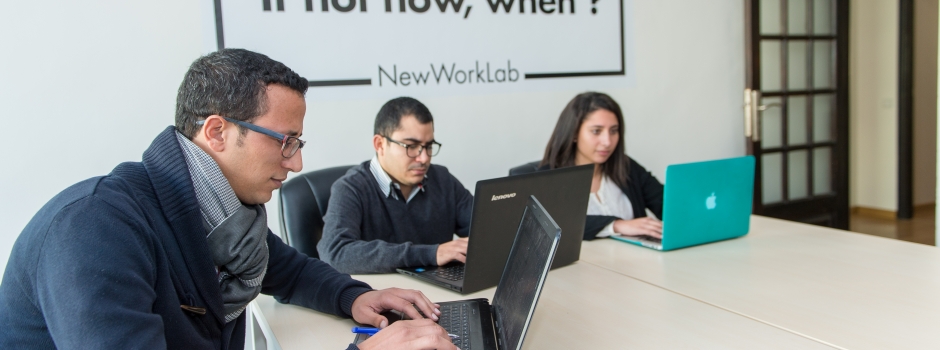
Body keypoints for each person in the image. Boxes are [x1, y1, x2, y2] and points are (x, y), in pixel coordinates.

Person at [0, 49, 455, 350]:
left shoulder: (228, 221)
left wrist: (355, 297)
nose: (296, 163)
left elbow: (291, 271)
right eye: (285, 141)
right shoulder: (94, 230)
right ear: (217, 132)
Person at [318, 97, 472, 274]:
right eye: (411, 146)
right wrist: (430, 254)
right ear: (380, 144)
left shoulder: (442, 180)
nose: (423, 158)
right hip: (382, 291)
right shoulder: (350, 188)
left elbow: (485, 230)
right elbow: (336, 253)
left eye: (428, 146)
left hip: (438, 288)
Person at [539, 92, 665, 240]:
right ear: (574, 133)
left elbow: (667, 206)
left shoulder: (626, 167)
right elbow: (558, 224)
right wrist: (616, 225)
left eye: (613, 131)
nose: (607, 142)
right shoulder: (548, 178)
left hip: (634, 254)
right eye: (596, 131)